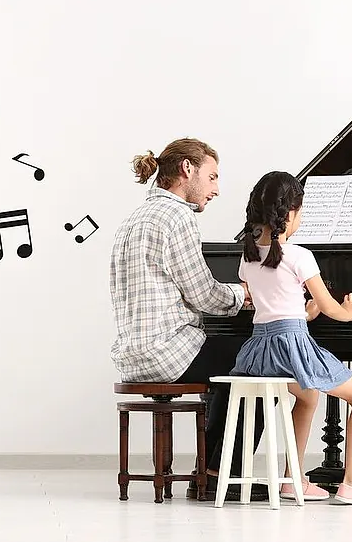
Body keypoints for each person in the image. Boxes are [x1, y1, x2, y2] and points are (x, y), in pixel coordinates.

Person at [109, 137, 268, 501]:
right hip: (167, 354)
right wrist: (244, 293)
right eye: (212, 178)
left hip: (133, 356)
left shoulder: (133, 219)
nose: (216, 190)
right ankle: (219, 475)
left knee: (235, 364)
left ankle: (210, 469)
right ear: (187, 169)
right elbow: (203, 293)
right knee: (262, 362)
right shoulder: (177, 216)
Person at [232, 170, 352, 505]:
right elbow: (332, 310)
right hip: (292, 346)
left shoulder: (248, 257)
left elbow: (275, 304)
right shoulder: (299, 256)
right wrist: (348, 310)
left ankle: (291, 479)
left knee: (309, 396)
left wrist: (305, 312)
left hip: (261, 350)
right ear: (290, 213)